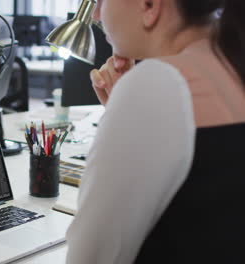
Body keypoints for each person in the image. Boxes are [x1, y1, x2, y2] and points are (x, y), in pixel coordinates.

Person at [66, 0, 245, 263]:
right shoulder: (232, 67)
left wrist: (129, 104)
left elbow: (90, 255)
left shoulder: (157, 83)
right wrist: (123, 113)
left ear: (149, 5)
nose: (95, 14)